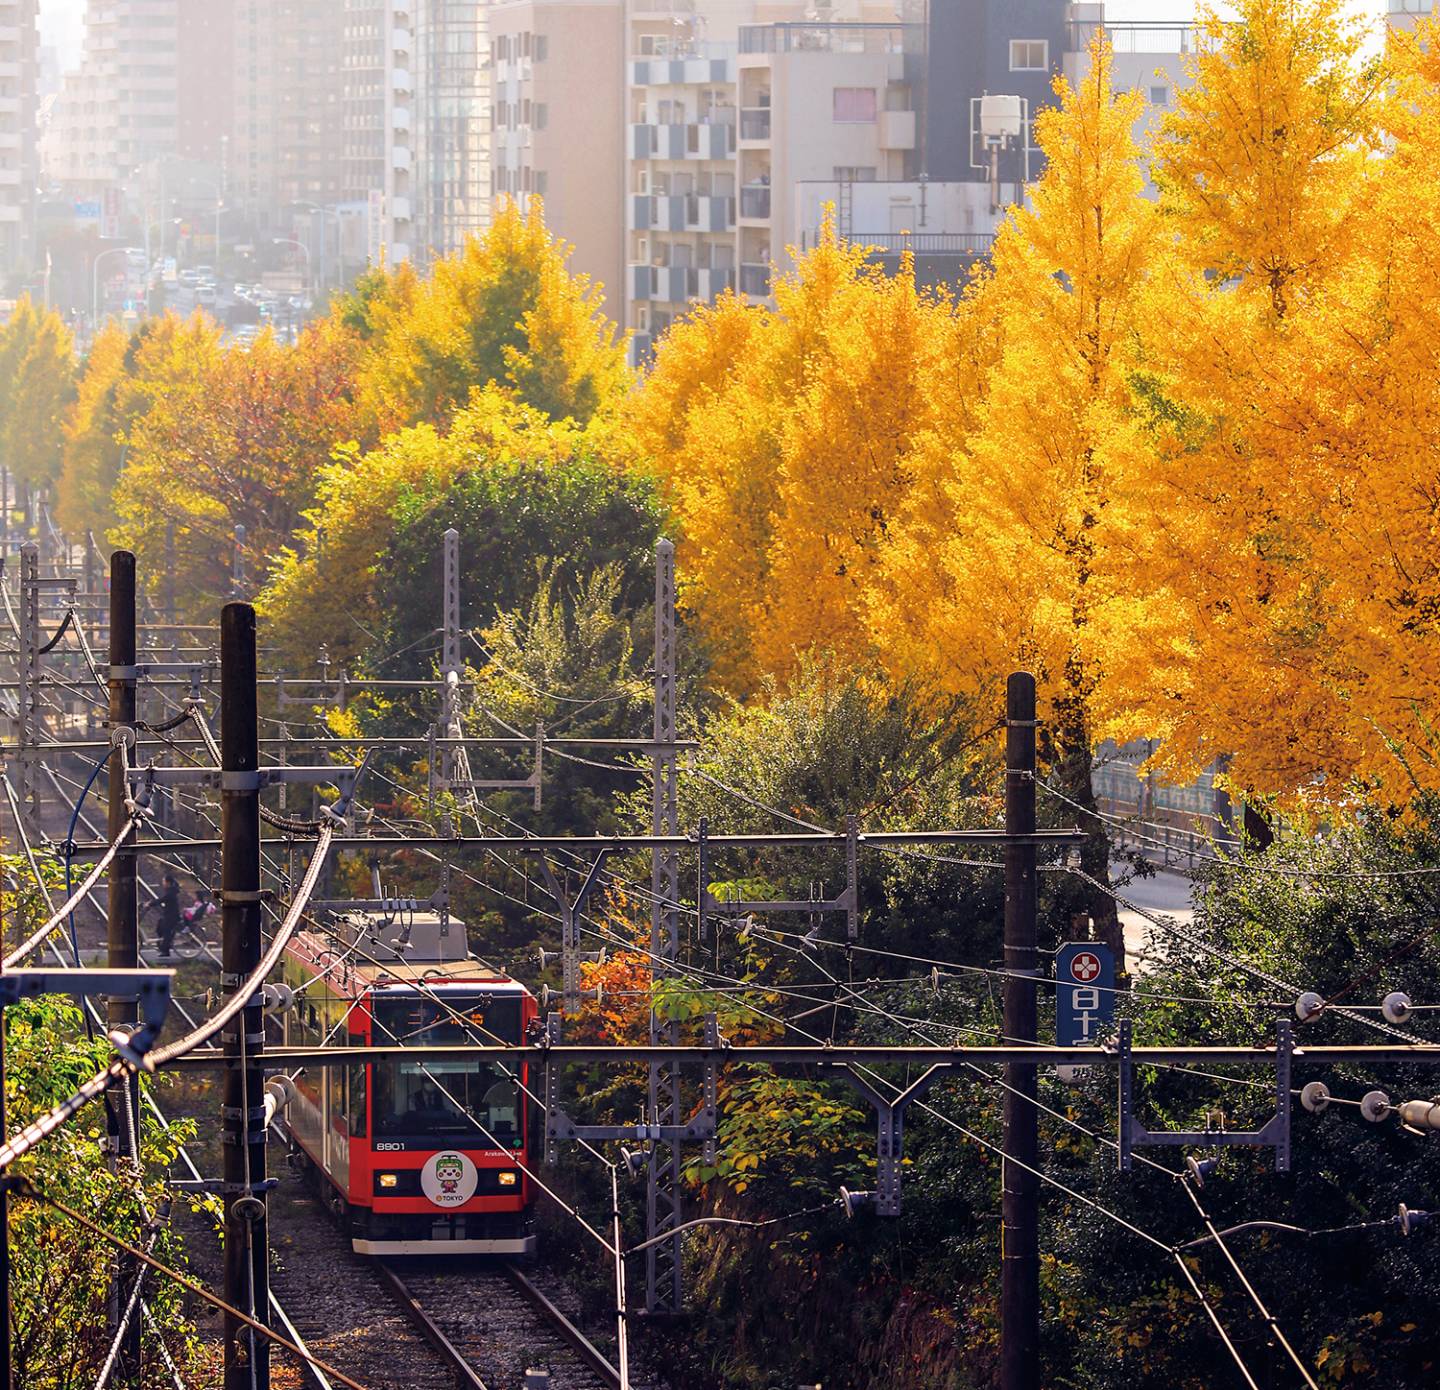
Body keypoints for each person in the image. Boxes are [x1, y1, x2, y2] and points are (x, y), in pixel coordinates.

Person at [152, 873, 181, 957]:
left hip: (172, 916)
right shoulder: (170, 890)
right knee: (159, 926)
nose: (163, 883)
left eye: (164, 881)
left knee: (166, 931)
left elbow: (162, 900)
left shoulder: (171, 892)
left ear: (168, 882)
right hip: (169, 915)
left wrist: (150, 903)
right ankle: (161, 944)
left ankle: (165, 950)